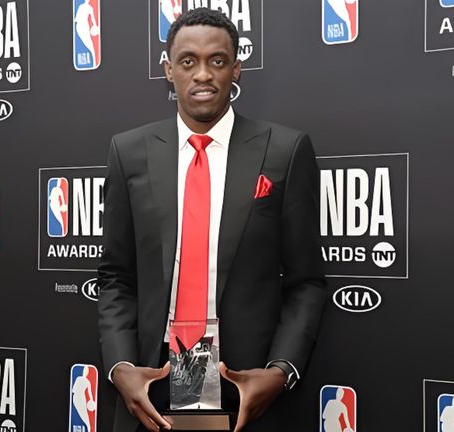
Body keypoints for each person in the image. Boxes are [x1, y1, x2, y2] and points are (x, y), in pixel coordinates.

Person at [98, 8, 327, 432]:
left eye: (217, 61)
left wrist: (280, 371)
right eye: (188, 61)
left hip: (246, 382)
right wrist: (120, 367)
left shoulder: (284, 150)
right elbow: (115, 276)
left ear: (236, 69)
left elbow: (306, 281)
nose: (203, 74)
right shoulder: (128, 153)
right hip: (152, 379)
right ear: (169, 71)